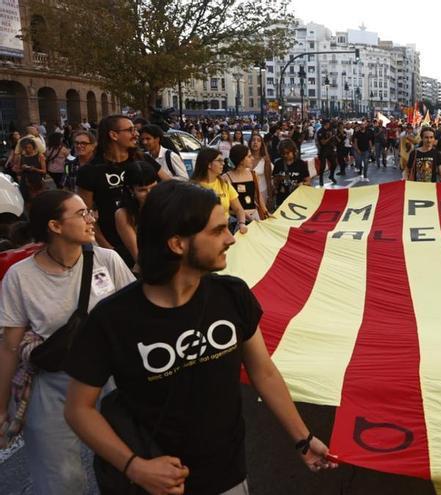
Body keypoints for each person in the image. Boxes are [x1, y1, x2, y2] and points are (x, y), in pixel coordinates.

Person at [63, 181, 337, 495]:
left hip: (228, 473)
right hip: (154, 482)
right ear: (178, 244)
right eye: (218, 230)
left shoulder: (233, 295)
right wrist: (136, 467)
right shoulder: (112, 319)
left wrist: (303, 439)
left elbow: (264, 372)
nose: (231, 238)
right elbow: (78, 409)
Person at [0, 190, 134, 495]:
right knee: (60, 480)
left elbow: (136, 318)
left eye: (90, 212)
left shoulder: (107, 259)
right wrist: (1, 407)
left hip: (110, 380)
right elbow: (9, 347)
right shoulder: (20, 278)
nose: (91, 220)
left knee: (125, 465)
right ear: (55, 226)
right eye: (81, 214)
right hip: (52, 384)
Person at [77, 115, 168, 250]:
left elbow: (170, 185)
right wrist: (107, 247)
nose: (136, 134)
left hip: (150, 238)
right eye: (130, 130)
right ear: (113, 135)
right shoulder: (90, 171)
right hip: (115, 244)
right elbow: (86, 213)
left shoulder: (143, 159)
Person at [191, 148, 249, 234]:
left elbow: (238, 209)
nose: (223, 163)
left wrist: (242, 224)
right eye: (219, 160)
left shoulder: (224, 183)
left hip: (227, 228)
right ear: (208, 164)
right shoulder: (193, 188)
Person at [115, 161, 158, 271]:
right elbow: (138, 256)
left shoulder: (167, 203)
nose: (149, 193)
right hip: (147, 270)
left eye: (153, 188)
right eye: (142, 190)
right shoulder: (124, 215)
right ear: (131, 190)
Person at [224, 143, 267, 222]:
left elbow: (258, 196)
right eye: (249, 156)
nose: (253, 158)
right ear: (241, 160)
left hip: (254, 217)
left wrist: (265, 212)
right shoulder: (226, 178)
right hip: (236, 219)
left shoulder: (253, 174)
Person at [249, 134, 274, 211]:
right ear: (250, 143)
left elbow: (269, 180)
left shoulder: (265, 160)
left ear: (261, 144)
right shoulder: (245, 158)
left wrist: (270, 197)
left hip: (262, 193)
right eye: (253, 140)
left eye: (258, 140)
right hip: (248, 193)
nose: (255, 142)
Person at [316, 120, 338, 186]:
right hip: (323, 150)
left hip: (330, 149)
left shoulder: (330, 130)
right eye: (328, 124)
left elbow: (333, 139)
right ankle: (321, 179)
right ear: (326, 124)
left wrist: (334, 144)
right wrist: (330, 137)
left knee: (334, 163)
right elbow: (323, 142)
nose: (329, 125)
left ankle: (331, 176)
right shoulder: (320, 131)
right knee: (322, 166)